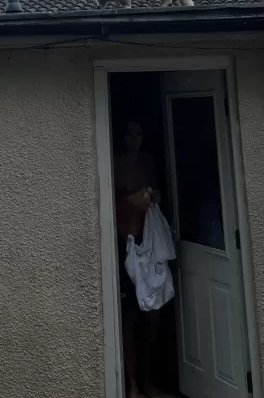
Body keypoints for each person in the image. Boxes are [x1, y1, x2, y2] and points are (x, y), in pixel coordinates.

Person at [114, 121, 169, 398]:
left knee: (153, 317)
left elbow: (157, 193)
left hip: (150, 247)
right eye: (129, 133)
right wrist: (129, 200)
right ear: (122, 137)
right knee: (129, 319)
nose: (133, 139)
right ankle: (131, 385)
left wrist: (154, 196)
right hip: (126, 246)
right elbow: (108, 201)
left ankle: (148, 381)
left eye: (138, 133)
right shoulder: (115, 163)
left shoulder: (148, 163)